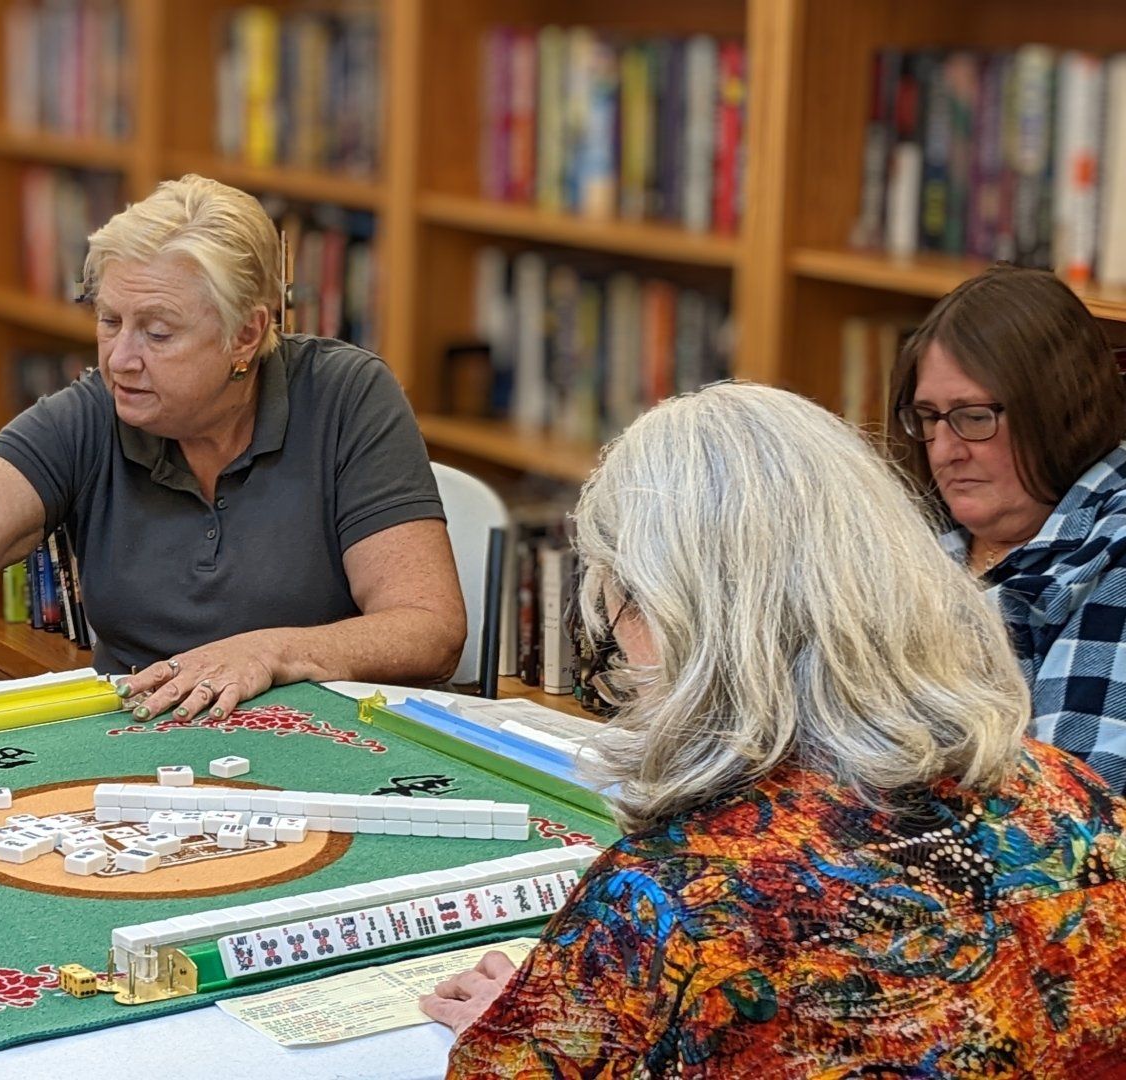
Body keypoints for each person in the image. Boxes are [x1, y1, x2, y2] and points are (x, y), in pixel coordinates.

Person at [423, 383, 1126, 1075]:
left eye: (615, 599)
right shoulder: (1086, 807)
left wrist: (529, 1025)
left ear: (670, 611)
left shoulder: (673, 898)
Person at [0, 174, 465, 728]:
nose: (121, 358)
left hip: (332, 742)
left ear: (248, 334)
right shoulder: (96, 410)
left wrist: (271, 654)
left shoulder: (347, 396)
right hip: (143, 747)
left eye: (157, 333)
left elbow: (427, 628)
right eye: (109, 321)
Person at [887, 264, 1126, 790]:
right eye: (929, 417)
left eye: (974, 417)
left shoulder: (1114, 549)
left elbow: (1077, 812)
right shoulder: (903, 529)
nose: (946, 451)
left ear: (1063, 411)